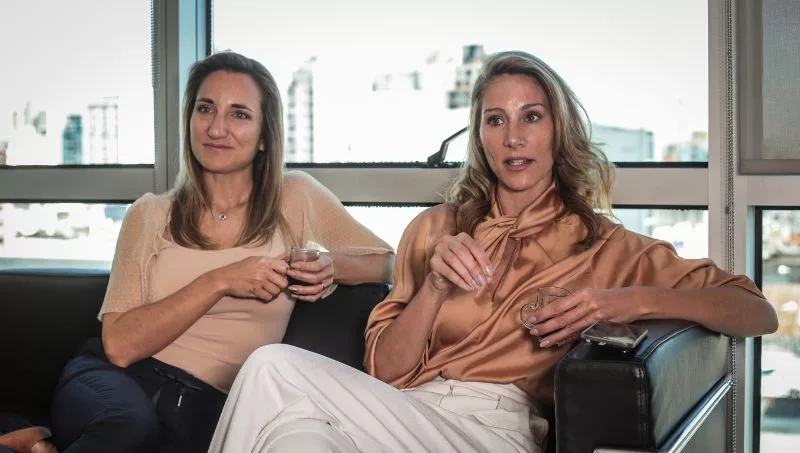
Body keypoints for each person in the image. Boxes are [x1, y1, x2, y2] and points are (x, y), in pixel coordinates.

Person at [205, 51, 778, 453]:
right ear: (479, 136)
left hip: (496, 431)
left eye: (532, 117)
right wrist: (434, 286)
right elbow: (385, 373)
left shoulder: (608, 245)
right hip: (400, 416)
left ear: (558, 130)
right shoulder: (434, 229)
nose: (513, 138)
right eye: (495, 120)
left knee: (271, 367)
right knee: (295, 439)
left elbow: (756, 310)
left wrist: (622, 302)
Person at [0, 51, 393, 453]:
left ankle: (40, 444)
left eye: (239, 114)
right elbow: (118, 346)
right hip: (114, 384)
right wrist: (221, 280)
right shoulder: (150, 214)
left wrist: (332, 266)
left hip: (207, 407)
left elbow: (388, 262)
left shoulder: (295, 197)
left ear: (264, 136)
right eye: (205, 109)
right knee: (129, 429)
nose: (217, 128)